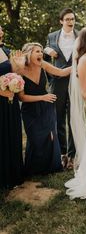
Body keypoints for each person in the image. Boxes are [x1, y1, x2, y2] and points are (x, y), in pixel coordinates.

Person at [19, 42, 71, 177]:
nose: (41, 54)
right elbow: (22, 98)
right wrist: (42, 97)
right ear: (28, 54)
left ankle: (51, 167)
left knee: (50, 136)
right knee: (35, 138)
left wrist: (78, 64)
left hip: (46, 106)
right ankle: (34, 168)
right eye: (37, 51)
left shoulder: (43, 65)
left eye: (41, 51)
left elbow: (62, 72)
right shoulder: (20, 70)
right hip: (30, 109)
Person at [44, 8, 79, 170]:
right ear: (61, 21)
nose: (70, 22)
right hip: (57, 82)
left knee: (73, 116)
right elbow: (42, 55)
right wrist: (47, 50)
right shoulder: (52, 36)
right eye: (67, 19)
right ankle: (62, 153)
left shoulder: (80, 36)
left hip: (75, 80)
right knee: (57, 117)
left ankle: (72, 155)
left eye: (72, 19)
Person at [0, 25, 24, 189]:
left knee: (12, 132)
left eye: (1, 29)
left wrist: (19, 65)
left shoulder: (7, 51)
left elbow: (15, 72)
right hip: (1, 98)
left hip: (11, 100)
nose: (1, 32)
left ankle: (14, 174)